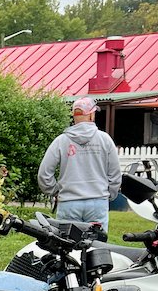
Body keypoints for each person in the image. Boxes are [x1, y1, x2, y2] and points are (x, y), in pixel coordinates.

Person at [36, 96, 122, 227]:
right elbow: (115, 174)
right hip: (97, 202)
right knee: (96, 240)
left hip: (68, 202)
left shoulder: (61, 141)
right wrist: (109, 193)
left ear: (74, 116)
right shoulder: (105, 139)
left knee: (67, 239)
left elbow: (44, 174)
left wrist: (56, 191)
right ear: (91, 115)